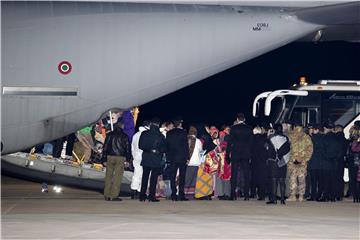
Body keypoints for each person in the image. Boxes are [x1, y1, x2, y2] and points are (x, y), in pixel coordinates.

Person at [226, 113, 254, 200]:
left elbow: (230, 143)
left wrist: (227, 154)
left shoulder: (233, 128)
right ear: (244, 119)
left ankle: (232, 194)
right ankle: (246, 195)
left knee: (234, 175)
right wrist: (251, 155)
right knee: (246, 175)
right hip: (246, 154)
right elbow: (251, 143)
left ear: (237, 119)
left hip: (235, 153)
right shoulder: (249, 129)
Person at [138, 118, 166, 202]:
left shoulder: (144, 133)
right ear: (158, 125)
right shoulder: (160, 136)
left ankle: (142, 196)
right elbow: (164, 148)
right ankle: (151, 196)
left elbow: (140, 146)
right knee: (153, 178)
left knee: (145, 177)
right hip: (156, 158)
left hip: (146, 156)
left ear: (151, 124)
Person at [103, 122, 131, 201]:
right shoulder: (125, 136)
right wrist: (128, 160)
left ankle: (106, 194)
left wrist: (104, 159)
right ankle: (114, 195)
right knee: (117, 177)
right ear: (122, 126)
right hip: (120, 158)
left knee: (108, 176)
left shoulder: (109, 135)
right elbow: (127, 149)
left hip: (110, 157)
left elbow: (105, 147)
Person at [287, 122, 313, 202]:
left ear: (294, 126)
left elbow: (287, 148)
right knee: (302, 179)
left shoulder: (290, 136)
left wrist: (292, 158)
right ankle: (301, 196)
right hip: (303, 162)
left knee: (292, 178)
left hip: (292, 161)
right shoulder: (306, 137)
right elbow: (310, 150)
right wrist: (305, 159)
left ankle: (293, 196)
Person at [166, 116, 190, 201]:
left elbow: (167, 146)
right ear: (180, 124)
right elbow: (186, 146)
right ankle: (181, 194)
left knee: (172, 176)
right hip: (182, 157)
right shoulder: (183, 132)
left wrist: (168, 156)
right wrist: (188, 157)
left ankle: (173, 194)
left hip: (172, 157)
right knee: (182, 177)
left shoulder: (169, 133)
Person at [266, 124, 291, 204]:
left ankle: (274, 199)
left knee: (274, 181)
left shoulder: (272, 137)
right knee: (282, 181)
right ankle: (283, 200)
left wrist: (268, 136)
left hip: (274, 162)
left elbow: (267, 148)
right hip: (283, 162)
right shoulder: (286, 138)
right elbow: (288, 149)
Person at [130, 121, 150, 199]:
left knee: (136, 173)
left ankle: (133, 190)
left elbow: (132, 146)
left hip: (136, 156)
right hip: (143, 156)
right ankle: (140, 191)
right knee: (144, 175)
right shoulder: (146, 134)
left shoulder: (136, 135)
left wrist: (133, 155)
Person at [251, 126, 270, 201]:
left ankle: (253, 193)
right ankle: (261, 195)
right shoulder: (264, 139)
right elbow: (267, 149)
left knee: (253, 178)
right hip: (263, 161)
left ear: (254, 132)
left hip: (254, 161)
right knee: (262, 178)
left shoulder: (251, 139)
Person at [307, 125, 325, 201]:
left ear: (316, 130)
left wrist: (311, 134)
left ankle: (313, 195)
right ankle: (319, 195)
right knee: (320, 180)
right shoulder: (324, 137)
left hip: (313, 162)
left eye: (312, 129)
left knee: (313, 181)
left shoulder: (311, 138)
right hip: (321, 163)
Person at [184, 126, 203, 196]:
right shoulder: (198, 141)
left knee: (186, 178)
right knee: (194, 179)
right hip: (196, 162)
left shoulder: (185, 139)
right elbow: (201, 150)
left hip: (188, 162)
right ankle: (192, 193)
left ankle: (185, 192)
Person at [334, 125, 347, 201]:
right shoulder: (344, 139)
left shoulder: (335, 138)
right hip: (342, 160)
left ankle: (336, 193)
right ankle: (340, 194)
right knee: (340, 177)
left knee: (335, 177)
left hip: (335, 160)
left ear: (337, 129)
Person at [348, 121, 360, 202]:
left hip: (353, 160)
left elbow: (353, 149)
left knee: (353, 178)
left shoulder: (353, 139)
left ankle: (355, 195)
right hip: (355, 160)